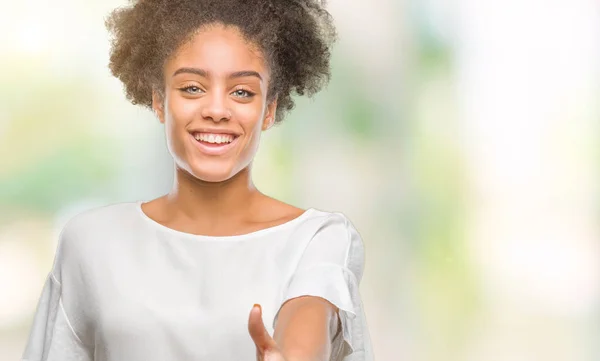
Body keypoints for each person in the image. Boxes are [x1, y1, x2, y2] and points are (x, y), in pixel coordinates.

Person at [21, 0, 374, 360]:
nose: (217, 110)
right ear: (159, 100)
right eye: (192, 88)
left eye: (242, 92)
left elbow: (307, 320)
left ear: (268, 110)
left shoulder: (316, 238)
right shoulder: (91, 242)